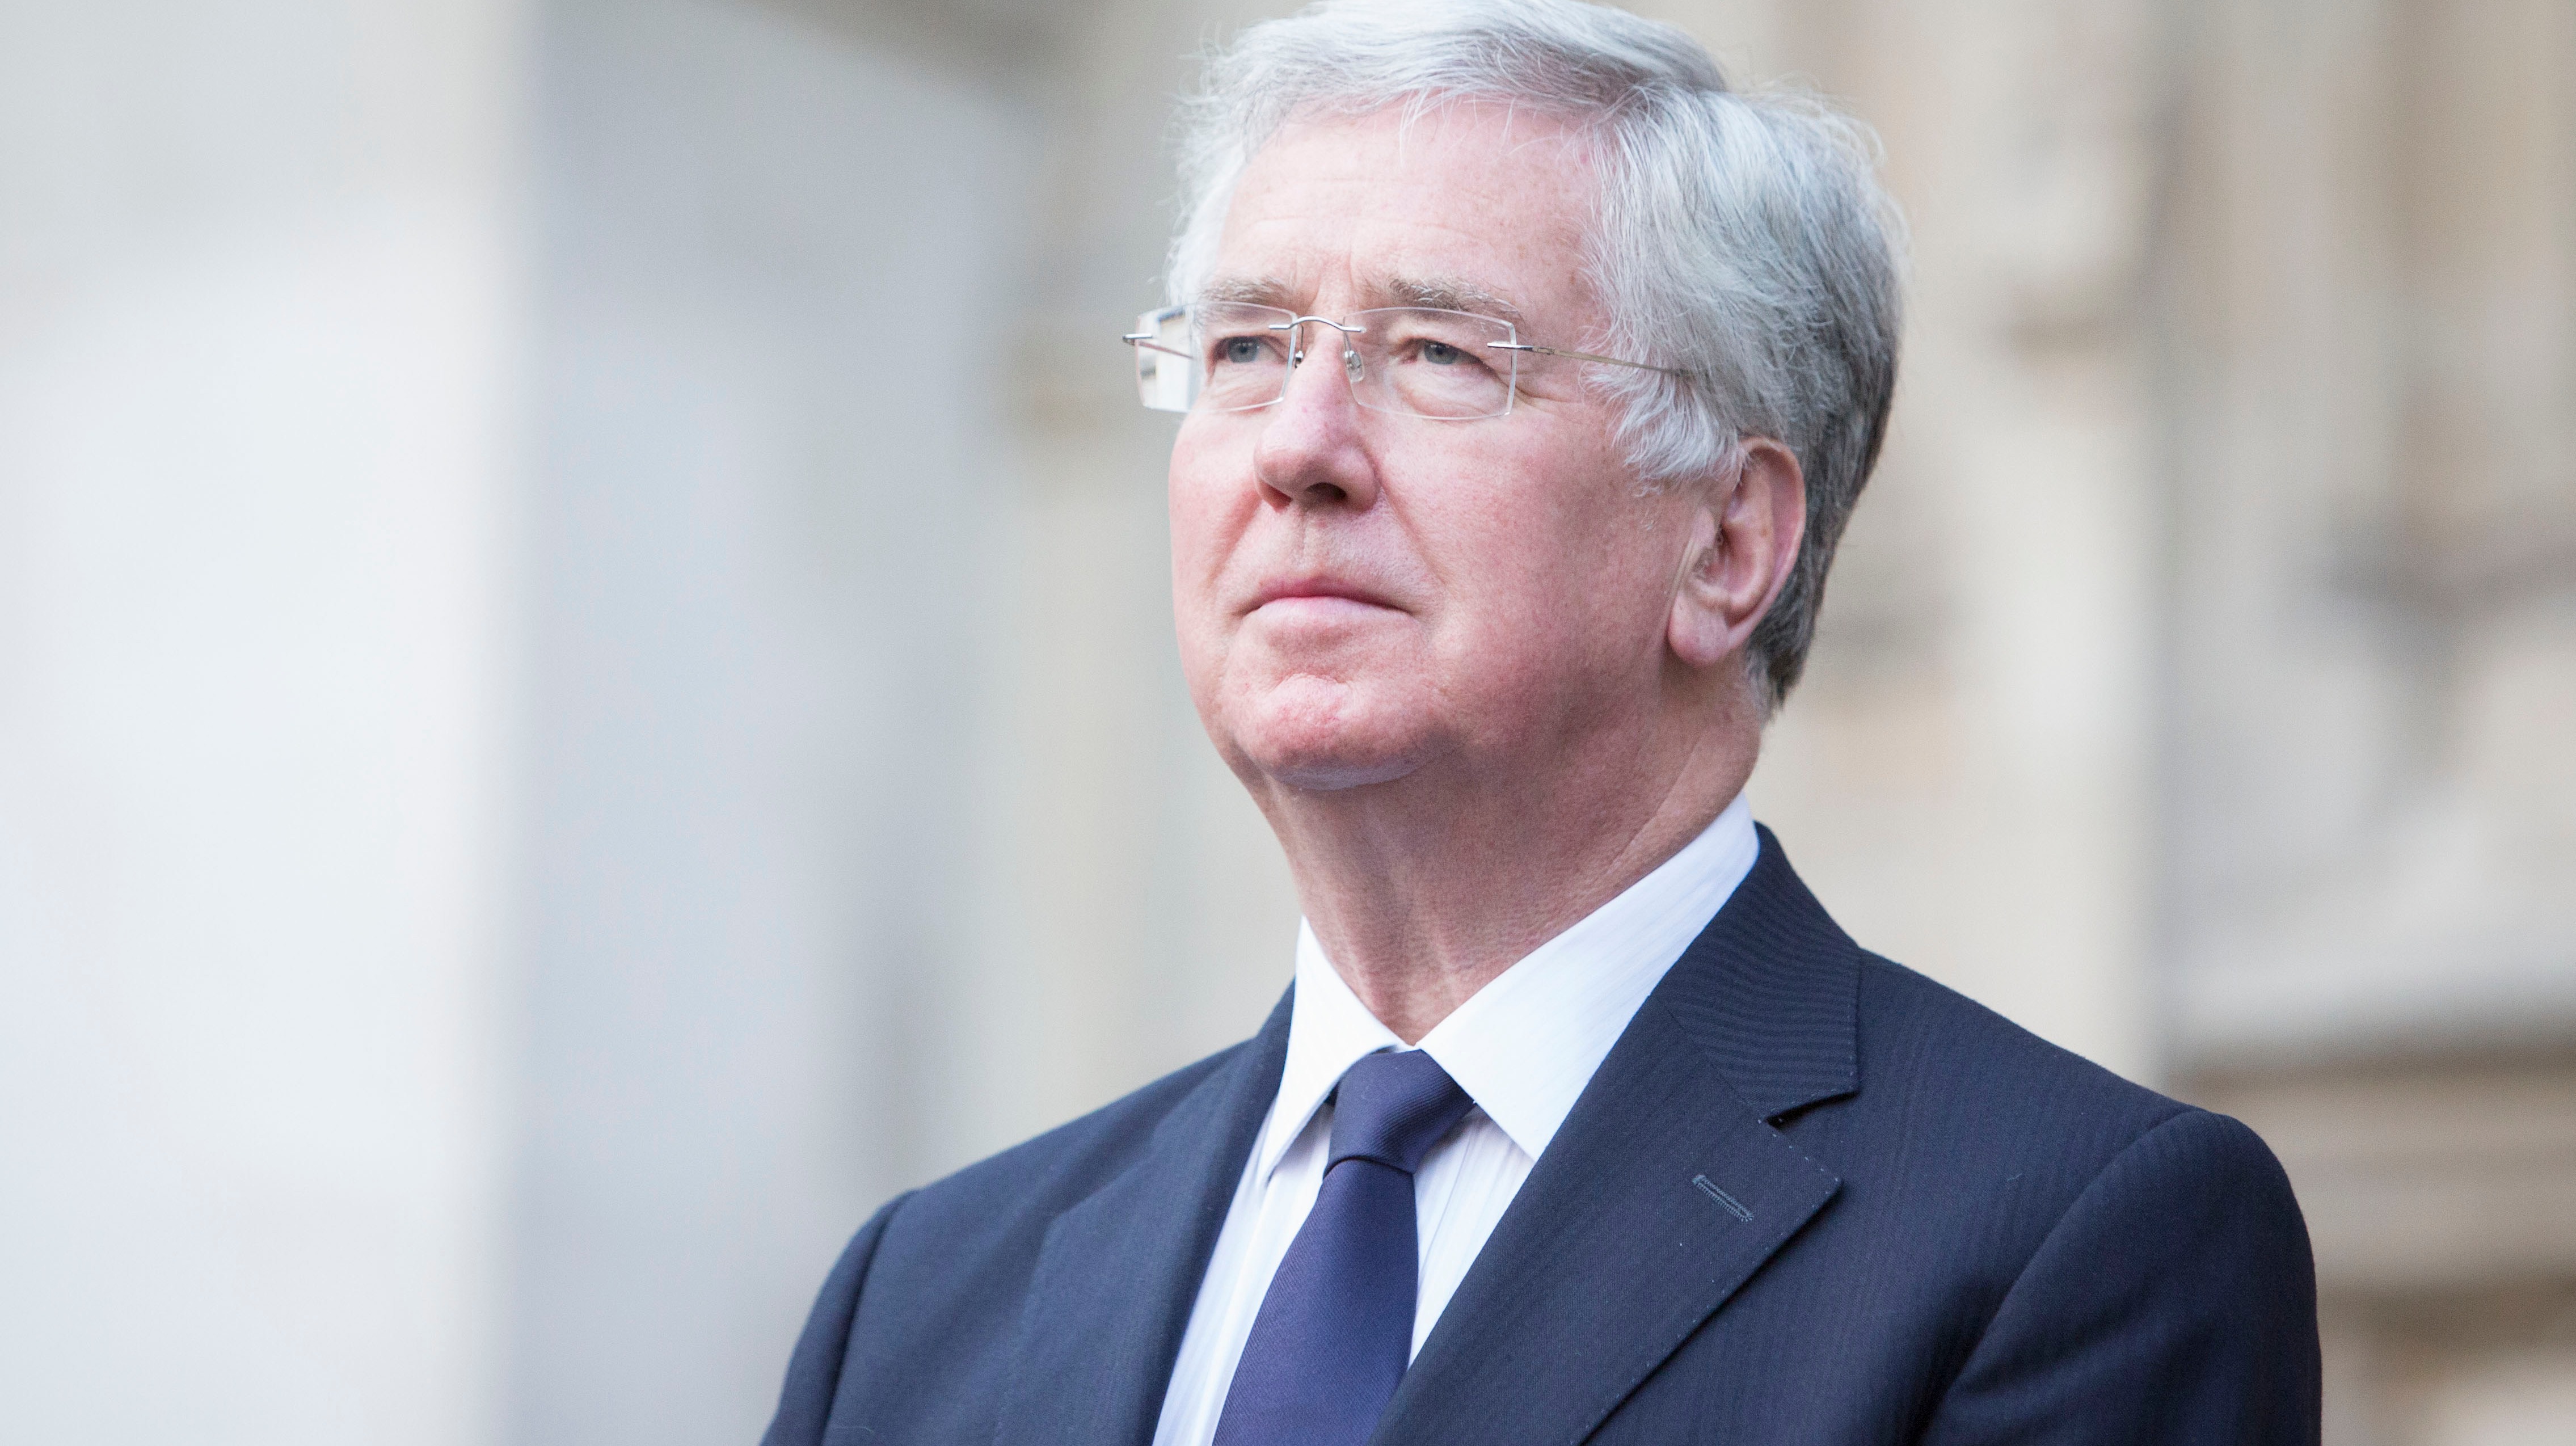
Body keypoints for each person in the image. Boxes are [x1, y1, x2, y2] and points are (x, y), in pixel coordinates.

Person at [762, 1, 2321, 1441]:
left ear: (1726, 543)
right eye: (1244, 349)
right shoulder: (926, 1297)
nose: (1299, 446)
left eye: (1438, 355)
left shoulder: (2069, 1242)